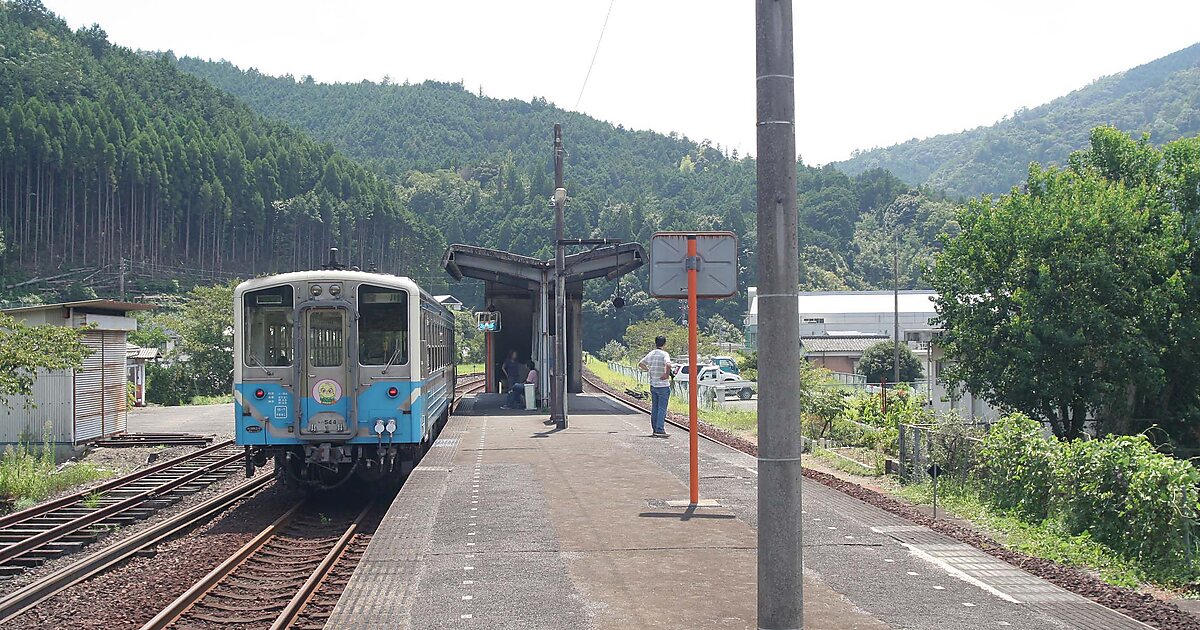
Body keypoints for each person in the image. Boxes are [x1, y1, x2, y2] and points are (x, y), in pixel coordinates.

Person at [638, 335, 672, 437]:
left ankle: (655, 429)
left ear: (655, 343)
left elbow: (641, 364)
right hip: (663, 385)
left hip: (653, 384)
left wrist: (649, 370)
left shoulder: (651, 354)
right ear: (664, 344)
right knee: (662, 408)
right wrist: (666, 374)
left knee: (655, 407)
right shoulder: (664, 354)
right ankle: (660, 429)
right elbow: (669, 364)